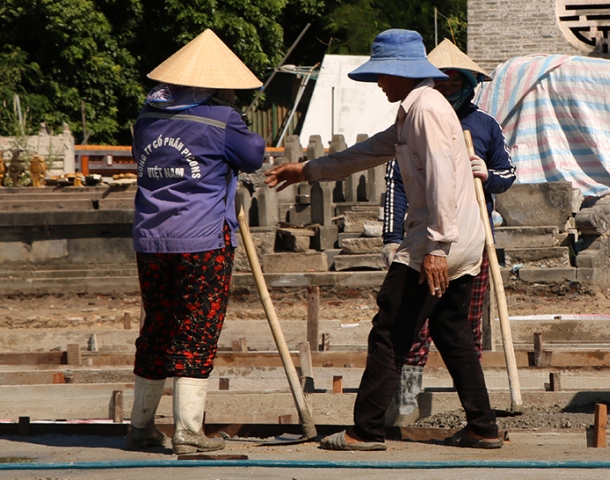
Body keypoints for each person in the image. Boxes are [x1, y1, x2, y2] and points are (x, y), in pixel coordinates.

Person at [265, 29, 503, 451]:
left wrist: (435, 248)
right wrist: (309, 170)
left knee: (390, 330)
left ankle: (366, 430)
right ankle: (483, 426)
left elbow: (444, 182)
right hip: (463, 238)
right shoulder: (415, 110)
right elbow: (372, 151)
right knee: (451, 329)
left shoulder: (426, 111)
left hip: (439, 238)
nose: (378, 83)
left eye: (382, 75)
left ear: (401, 73)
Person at [128, 29, 266, 453]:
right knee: (197, 327)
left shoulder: (147, 119)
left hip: (151, 240)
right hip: (202, 240)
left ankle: (141, 427)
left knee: (157, 326)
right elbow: (253, 156)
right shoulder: (222, 120)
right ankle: (188, 431)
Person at [381, 39, 515, 427]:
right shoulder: (419, 117)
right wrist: (392, 236)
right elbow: (398, 182)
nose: (449, 88)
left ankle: (476, 412)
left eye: (457, 82)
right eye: (443, 82)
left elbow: (509, 175)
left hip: (470, 245)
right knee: (412, 327)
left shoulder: (485, 125)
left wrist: (486, 175)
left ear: (470, 84)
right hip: (426, 242)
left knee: (462, 329)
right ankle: (405, 402)